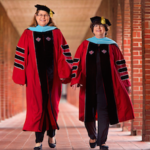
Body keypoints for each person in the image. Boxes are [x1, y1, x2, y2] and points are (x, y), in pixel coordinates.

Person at [12, 4, 72, 150]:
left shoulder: (57, 33)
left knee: (52, 106)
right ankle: (38, 141)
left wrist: (66, 73)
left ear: (49, 17)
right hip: (34, 78)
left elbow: (64, 54)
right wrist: (21, 76)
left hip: (54, 79)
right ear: (35, 16)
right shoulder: (28, 33)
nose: (42, 17)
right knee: (36, 108)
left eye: (45, 15)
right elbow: (21, 56)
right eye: (40, 15)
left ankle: (51, 135)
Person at [71, 16, 134, 150]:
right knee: (88, 114)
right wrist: (75, 79)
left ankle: (102, 141)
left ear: (106, 29)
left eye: (101, 26)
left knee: (104, 113)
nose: (98, 28)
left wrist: (126, 83)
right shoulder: (85, 45)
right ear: (92, 29)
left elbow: (120, 65)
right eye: (95, 26)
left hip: (106, 86)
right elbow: (76, 63)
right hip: (88, 84)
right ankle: (92, 136)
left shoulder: (112, 45)